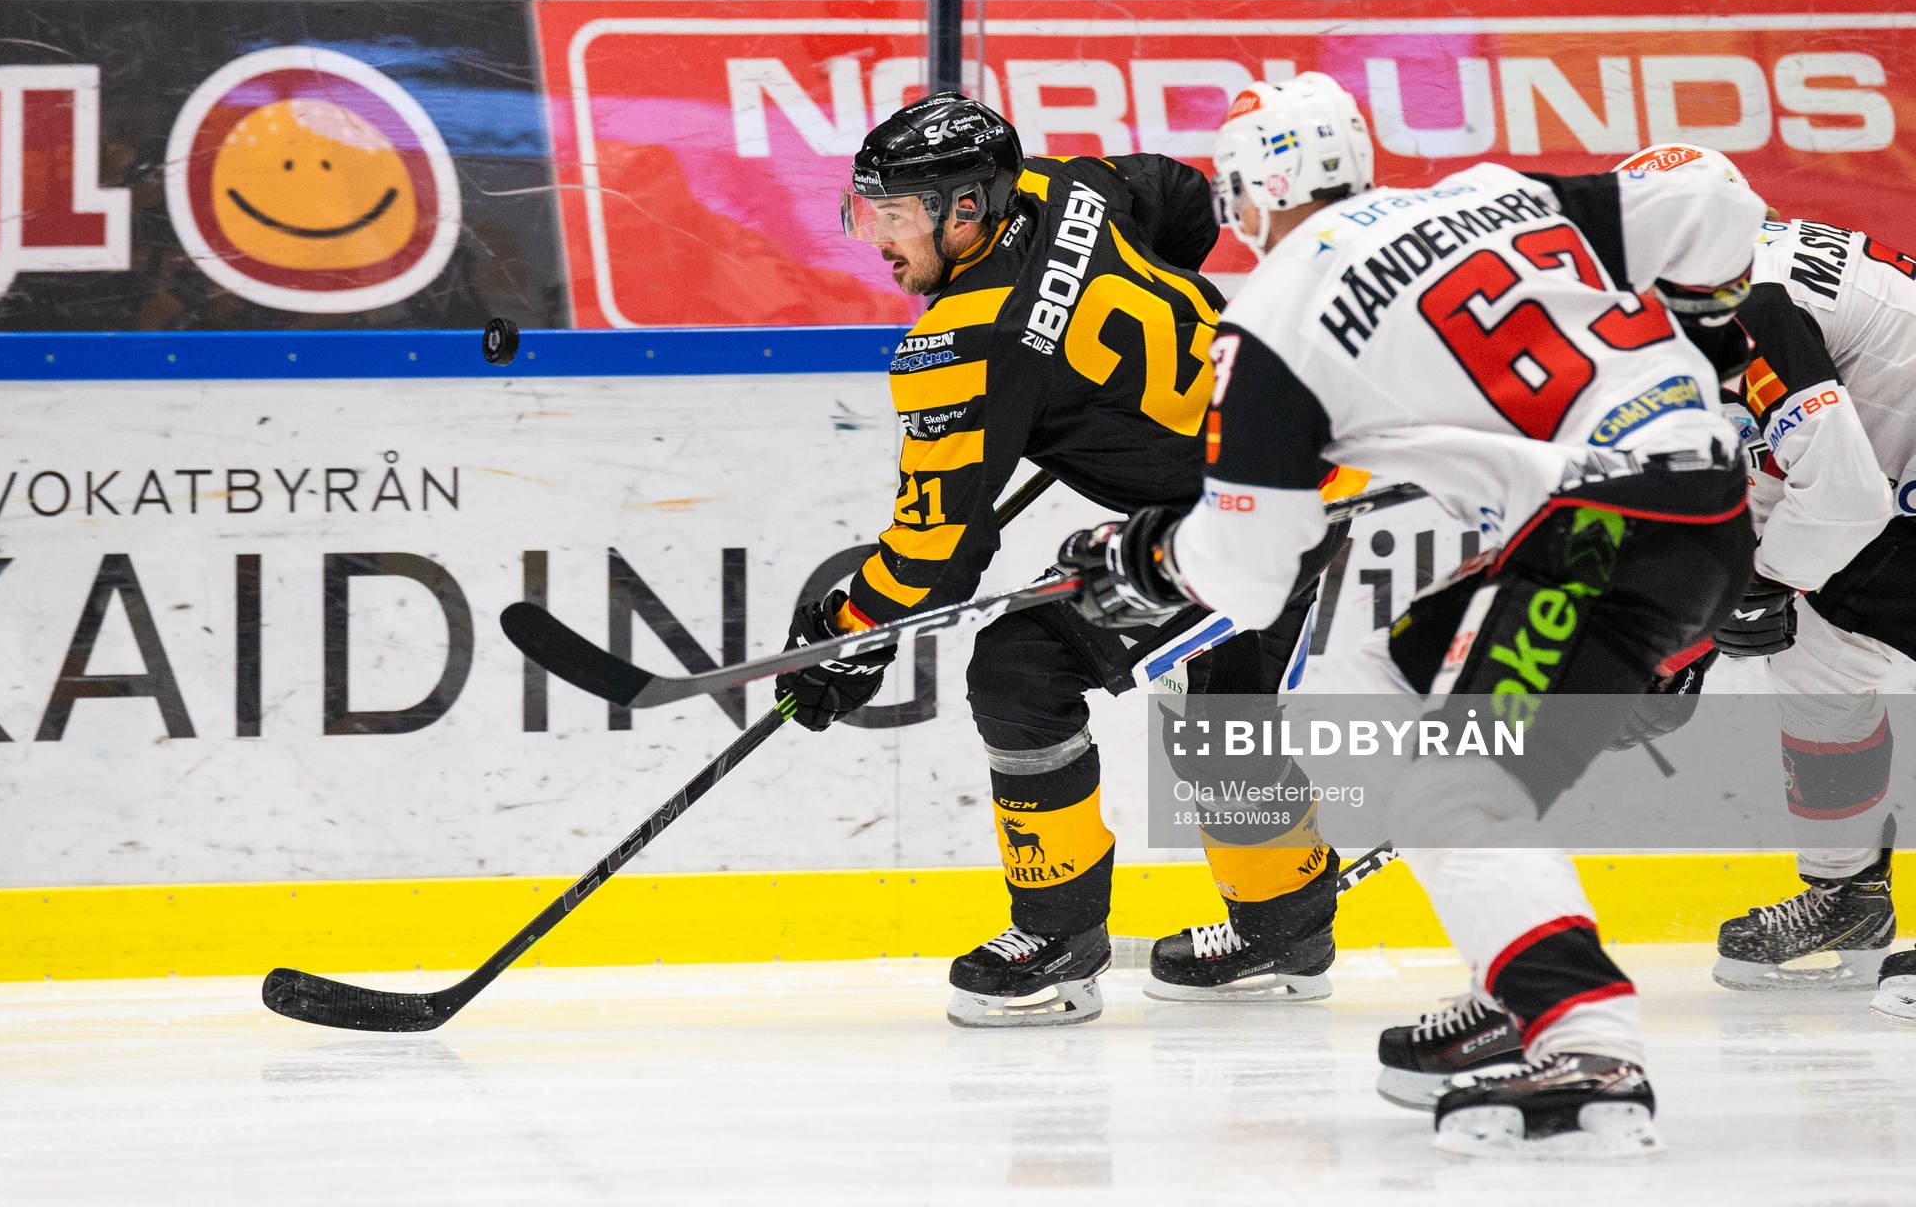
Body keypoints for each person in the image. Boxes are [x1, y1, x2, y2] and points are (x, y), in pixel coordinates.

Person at [1058, 75, 1766, 1155]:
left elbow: (1247, 575)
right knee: (1373, 685)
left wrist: (1146, 558)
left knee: (1455, 781)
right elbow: (1717, 207)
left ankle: (1589, 1042)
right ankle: (1516, 964)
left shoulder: (1273, 312)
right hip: (1701, 502)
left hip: (1595, 529)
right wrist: (1714, 333)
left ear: (1252, 190)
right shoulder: (1492, 191)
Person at [775, 90, 1356, 1028]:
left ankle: (1059, 941)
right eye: (866, 211)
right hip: (1304, 456)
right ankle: (1285, 926)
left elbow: (934, 557)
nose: (875, 238)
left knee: (1021, 669)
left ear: (965, 208)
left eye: (893, 215)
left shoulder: (964, 345)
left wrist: (848, 635)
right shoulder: (1062, 186)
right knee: (1223, 708)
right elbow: (1179, 196)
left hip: (1237, 521)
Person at [1609, 147, 1913, 1021]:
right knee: (1816, 655)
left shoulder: (1752, 303)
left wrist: (1740, 600)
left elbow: (1842, 489)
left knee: (1801, 615)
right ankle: (1849, 897)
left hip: (1887, 485)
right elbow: (1756, 475)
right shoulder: (1724, 281)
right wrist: (1680, 646)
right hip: (1894, 481)